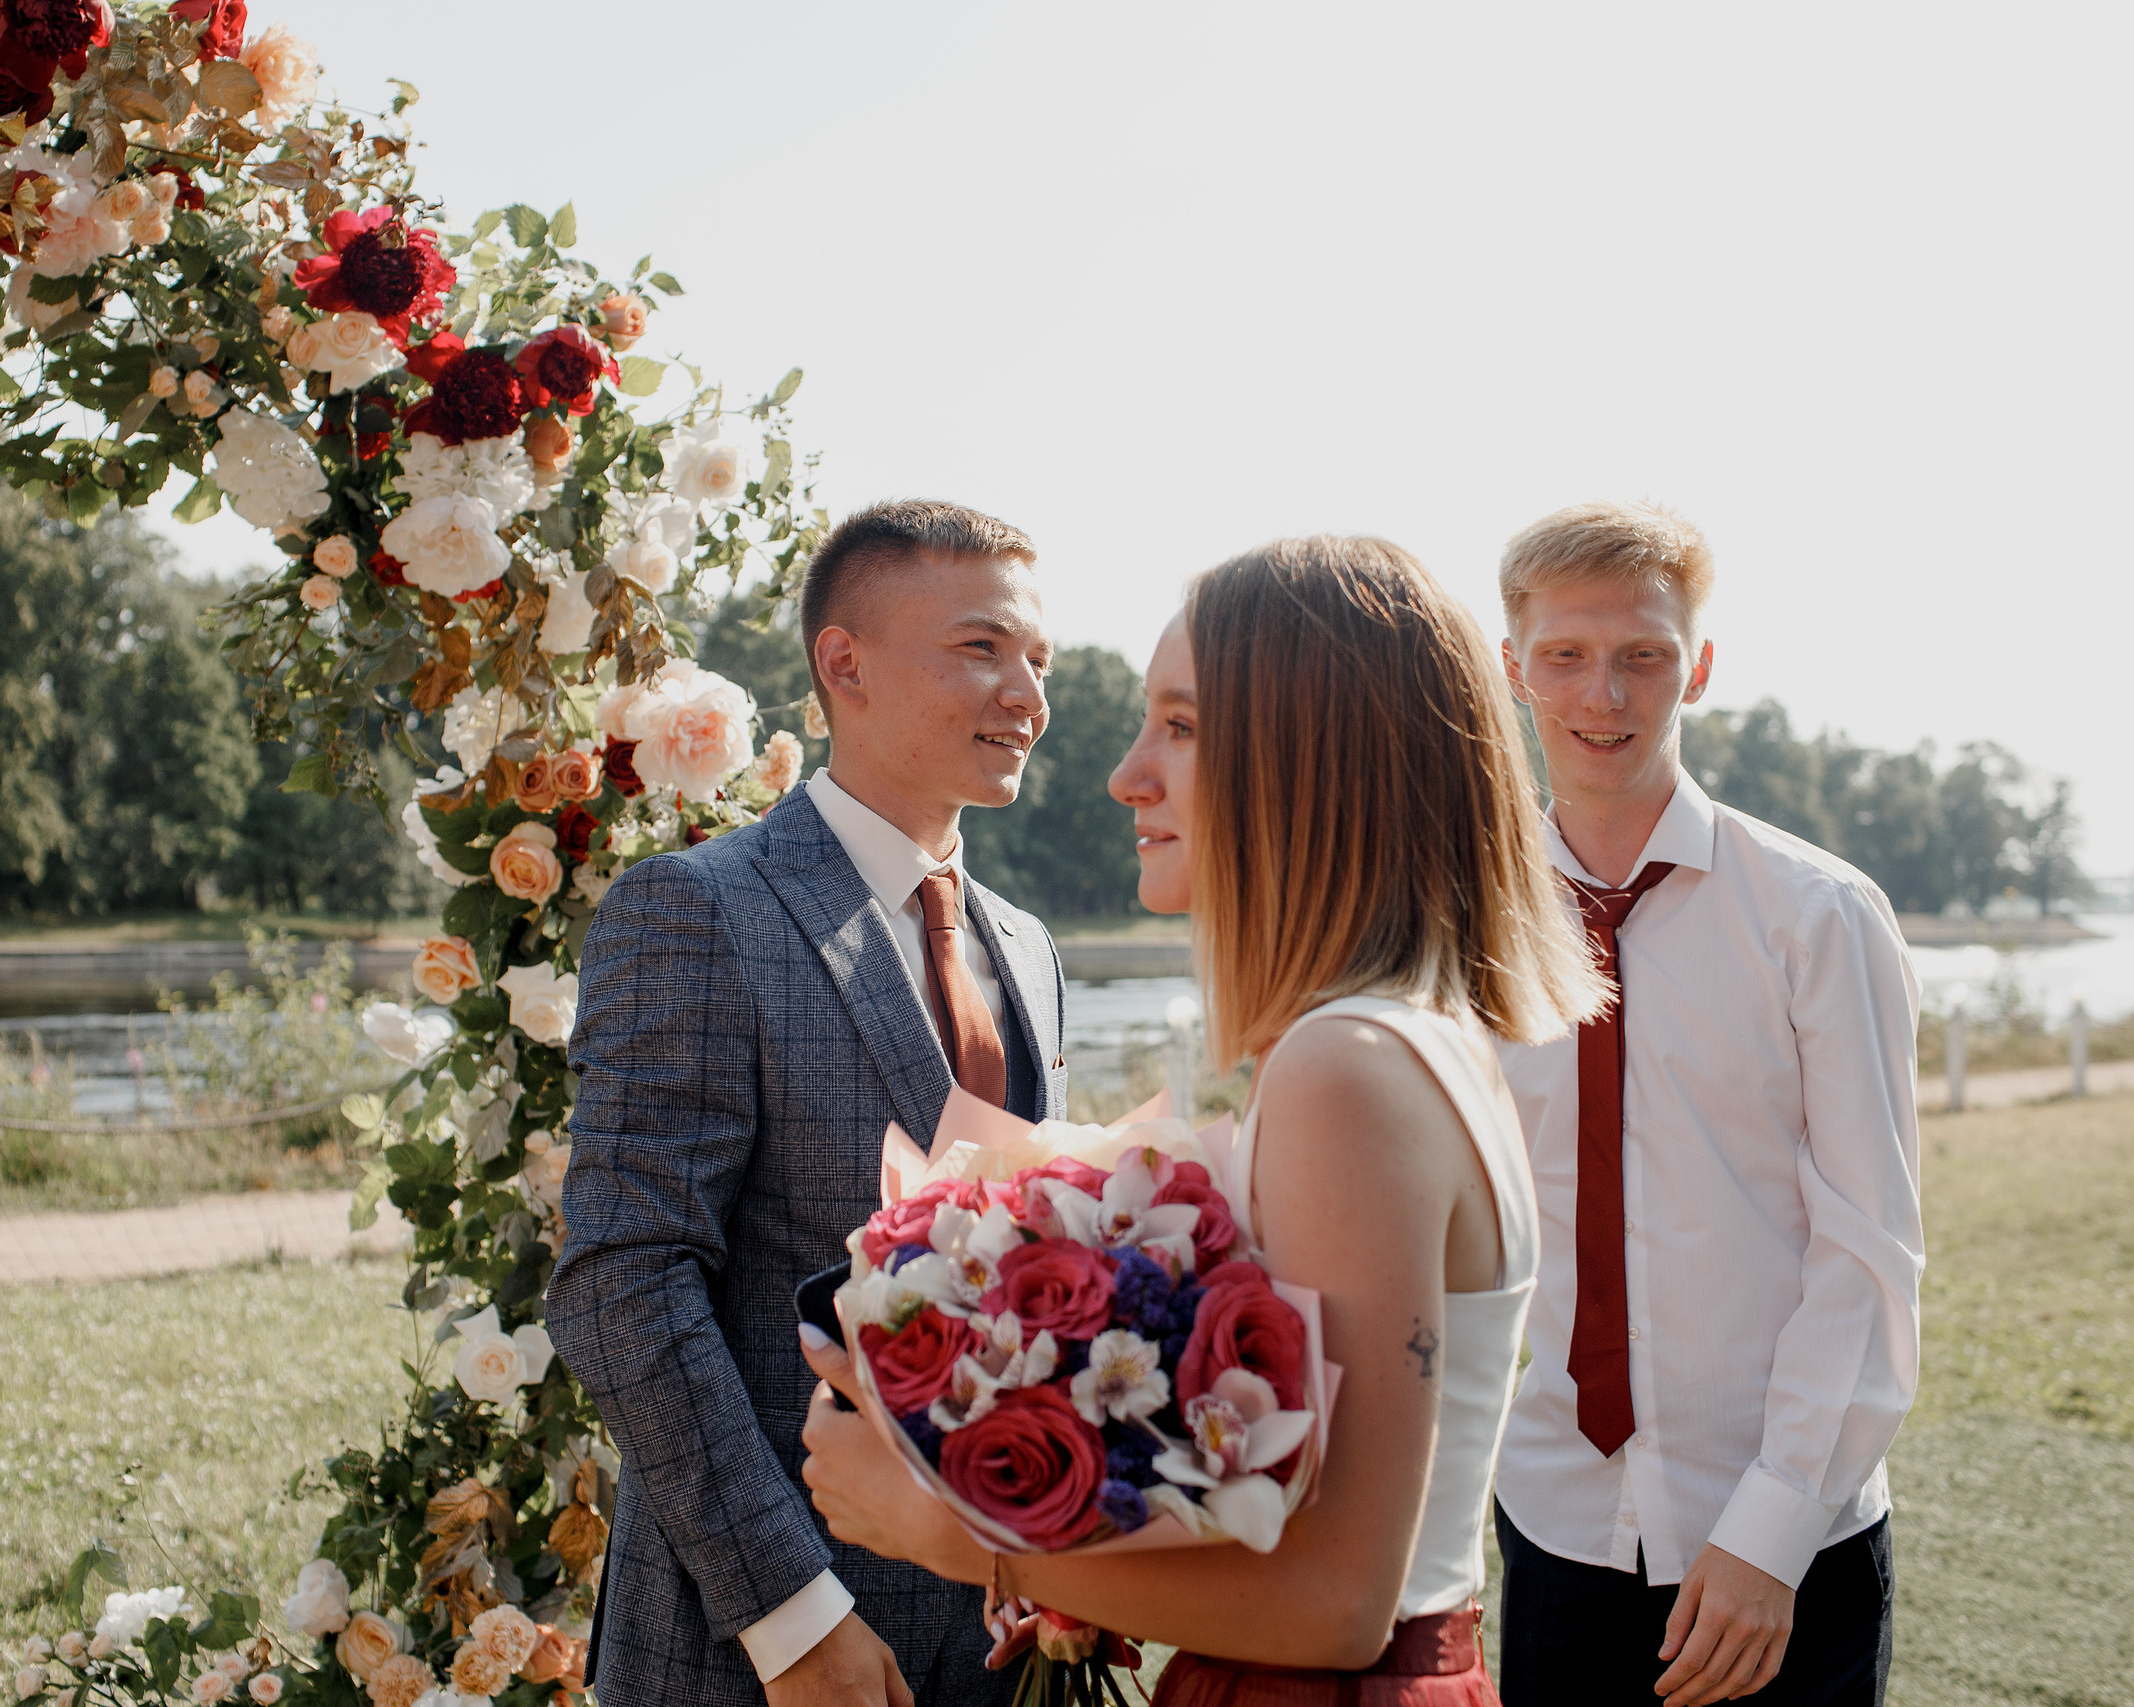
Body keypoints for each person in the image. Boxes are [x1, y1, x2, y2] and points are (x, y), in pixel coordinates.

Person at [799, 535, 1606, 1704]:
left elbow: (1337, 1607)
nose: (1128, 774)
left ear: (1311, 760)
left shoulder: (1351, 1067)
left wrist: (954, 1532)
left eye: (1179, 727)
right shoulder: (1402, 1038)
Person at [545, 498, 1071, 1707]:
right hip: (763, 1653)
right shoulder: (697, 911)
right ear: (845, 663)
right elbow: (622, 1284)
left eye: (1036, 660)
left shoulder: (1031, 949)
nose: (1026, 696)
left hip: (1002, 1646)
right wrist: (792, 1621)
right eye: (982, 649)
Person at [1488, 501, 1922, 1707]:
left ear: (1701, 668)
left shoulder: (1819, 917)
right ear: (1513, 668)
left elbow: (1868, 1251)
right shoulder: (1464, 927)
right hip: (1557, 1525)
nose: (1604, 696)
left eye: (1643, 656)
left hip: (1788, 1543)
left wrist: (1771, 1529)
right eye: (1566, 656)